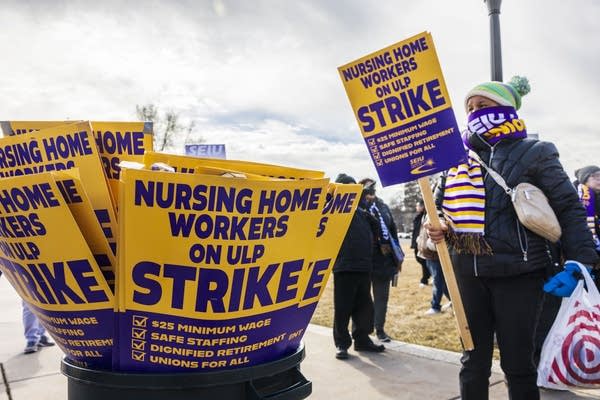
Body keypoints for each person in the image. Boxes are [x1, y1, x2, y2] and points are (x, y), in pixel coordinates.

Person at [425, 76, 599, 400]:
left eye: (484, 106)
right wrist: (435, 227)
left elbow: (568, 207)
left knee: (518, 365)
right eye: (471, 107)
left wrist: (581, 260)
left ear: (506, 109)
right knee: (472, 362)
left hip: (519, 275)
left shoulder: (535, 152)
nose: (476, 112)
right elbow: (436, 210)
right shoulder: (453, 160)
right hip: (466, 273)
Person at [332, 173, 385, 360]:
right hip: (344, 267)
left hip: (364, 267)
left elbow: (377, 227)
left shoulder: (362, 213)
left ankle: (362, 340)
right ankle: (341, 344)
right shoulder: (333, 210)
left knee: (364, 307)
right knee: (342, 308)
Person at [359, 178, 403, 342]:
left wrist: (398, 255)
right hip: (365, 258)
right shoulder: (358, 207)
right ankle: (362, 332)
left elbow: (393, 231)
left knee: (381, 297)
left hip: (384, 259)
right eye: (367, 189)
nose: (371, 192)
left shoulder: (383, 206)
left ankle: (379, 329)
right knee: (363, 298)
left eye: (373, 188)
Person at [410, 200, 431, 288]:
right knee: (419, 259)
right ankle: (429, 274)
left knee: (423, 261)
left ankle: (424, 279)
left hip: (422, 242)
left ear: (423, 206)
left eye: (418, 205)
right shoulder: (418, 217)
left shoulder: (425, 215)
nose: (416, 207)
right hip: (417, 242)